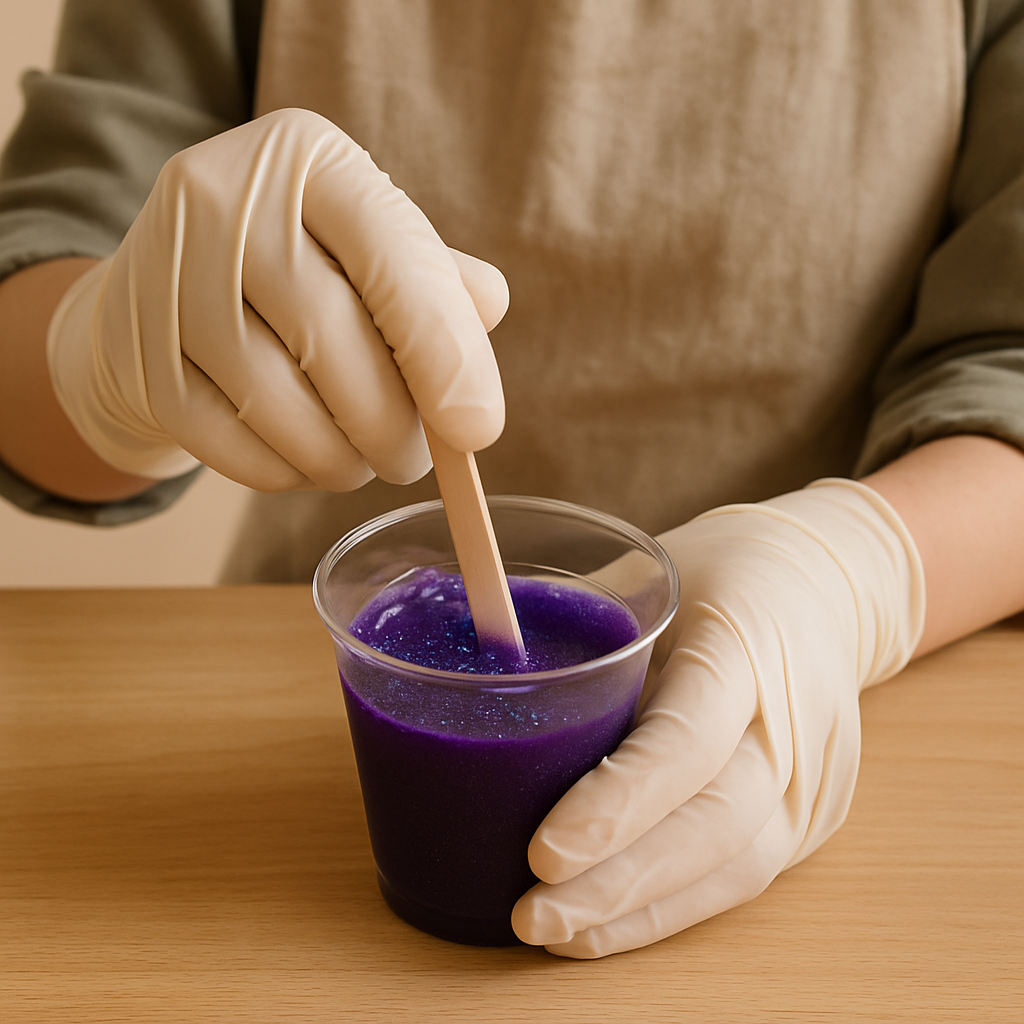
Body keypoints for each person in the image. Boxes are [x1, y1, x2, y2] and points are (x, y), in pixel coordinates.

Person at [2, 0, 1024, 958]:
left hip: (808, 709)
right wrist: (94, 358)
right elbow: (49, 265)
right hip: (275, 815)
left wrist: (851, 574)